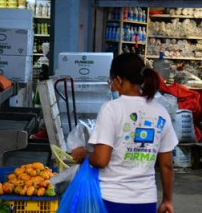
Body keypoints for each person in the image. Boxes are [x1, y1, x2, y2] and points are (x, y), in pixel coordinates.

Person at [71, 53, 178, 213]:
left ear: (119, 80)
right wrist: (167, 200)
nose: (111, 86)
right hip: (146, 201)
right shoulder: (161, 113)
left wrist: (83, 155)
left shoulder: (111, 109)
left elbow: (101, 160)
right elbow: (167, 165)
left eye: (111, 81)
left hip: (111, 200)